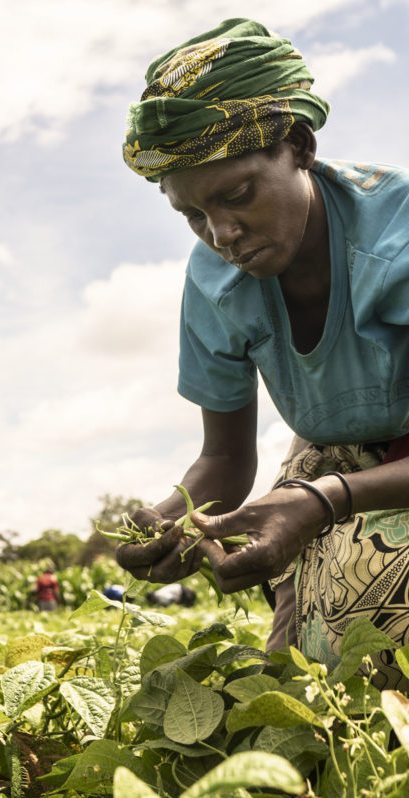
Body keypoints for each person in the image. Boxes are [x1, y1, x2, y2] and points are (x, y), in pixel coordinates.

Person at [117, 17, 409, 689]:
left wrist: (323, 502)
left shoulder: (397, 237)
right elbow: (224, 459)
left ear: (300, 147)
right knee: (295, 675)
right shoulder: (214, 281)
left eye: (238, 194)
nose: (222, 233)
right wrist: (179, 516)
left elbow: (325, 494)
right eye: (193, 215)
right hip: (335, 456)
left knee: (367, 607)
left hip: (367, 467)